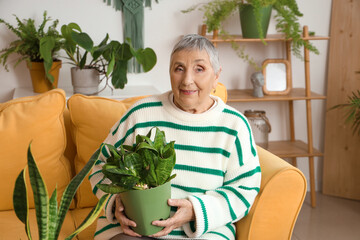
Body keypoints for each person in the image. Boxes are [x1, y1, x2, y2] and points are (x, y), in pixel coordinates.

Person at [90, 34, 261, 240]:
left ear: (216, 76)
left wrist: (196, 211)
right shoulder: (141, 113)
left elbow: (244, 190)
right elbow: (100, 165)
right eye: (179, 68)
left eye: (199, 69)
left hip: (203, 233)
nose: (187, 80)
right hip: (134, 230)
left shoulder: (234, 125)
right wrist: (116, 200)